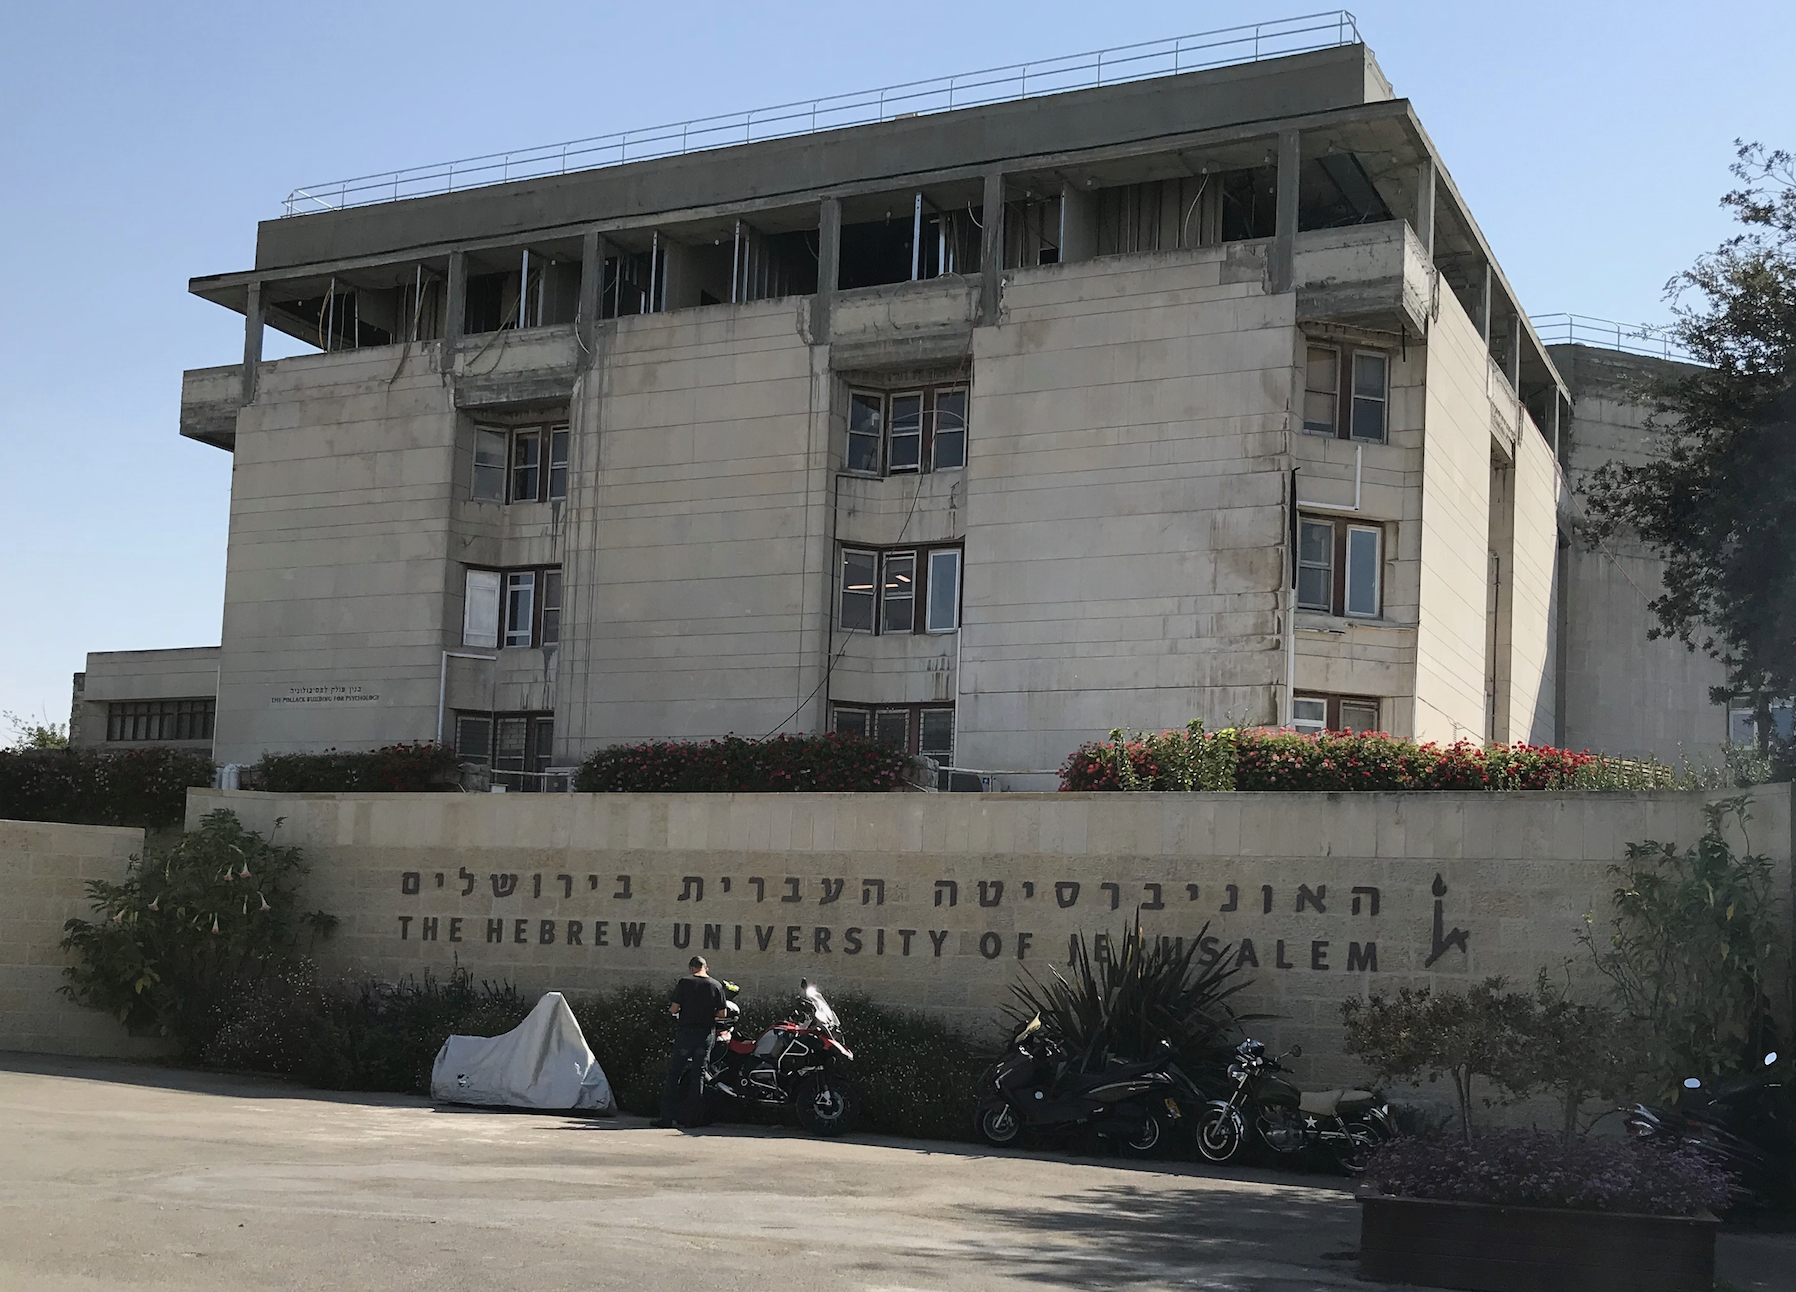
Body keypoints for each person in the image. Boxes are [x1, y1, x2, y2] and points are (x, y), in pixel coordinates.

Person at [654, 955, 728, 1128]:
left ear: (691, 968)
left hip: (685, 1034)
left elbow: (674, 1008)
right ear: (705, 968)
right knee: (698, 1076)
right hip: (704, 1035)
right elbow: (722, 1014)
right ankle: (693, 1119)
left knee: (674, 1074)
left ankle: (666, 1118)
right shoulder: (716, 985)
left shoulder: (684, 983)